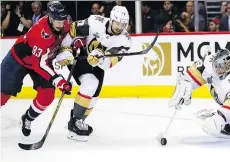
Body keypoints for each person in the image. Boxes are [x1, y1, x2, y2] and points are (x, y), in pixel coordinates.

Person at [55, 5, 132, 141]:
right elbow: (73, 29)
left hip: (98, 63)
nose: (119, 27)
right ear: (112, 19)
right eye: (117, 23)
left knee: (94, 97)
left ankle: (78, 121)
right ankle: (75, 123)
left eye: (123, 24)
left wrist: (99, 60)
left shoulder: (125, 40)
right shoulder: (95, 22)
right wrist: (66, 49)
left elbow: (110, 61)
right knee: (90, 83)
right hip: (79, 55)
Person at [0, 2, 72, 137]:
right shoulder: (41, 32)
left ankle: (27, 118)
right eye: (57, 21)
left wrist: (77, 42)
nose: (60, 24)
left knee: (47, 95)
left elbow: (71, 36)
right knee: (2, 94)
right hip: (19, 59)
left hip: (43, 59)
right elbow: (38, 64)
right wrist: (58, 80)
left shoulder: (66, 22)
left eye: (62, 21)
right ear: (50, 17)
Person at [169, 48, 230, 138]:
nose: (218, 69)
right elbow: (196, 73)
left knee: (217, 124)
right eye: (217, 65)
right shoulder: (209, 63)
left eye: (222, 67)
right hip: (221, 99)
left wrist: (222, 117)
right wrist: (186, 81)